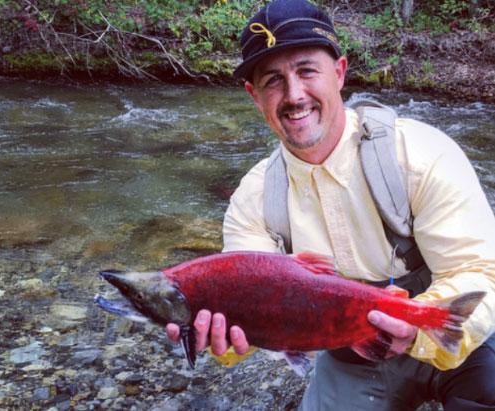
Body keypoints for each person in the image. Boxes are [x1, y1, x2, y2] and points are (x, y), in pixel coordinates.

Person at [167, 0, 495, 409]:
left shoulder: (421, 154)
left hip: (447, 329)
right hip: (349, 355)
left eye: (307, 70)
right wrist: (228, 345)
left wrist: (419, 330)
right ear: (254, 96)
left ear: (339, 73)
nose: (294, 95)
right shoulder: (252, 199)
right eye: (272, 80)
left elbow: (479, 273)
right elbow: (241, 317)